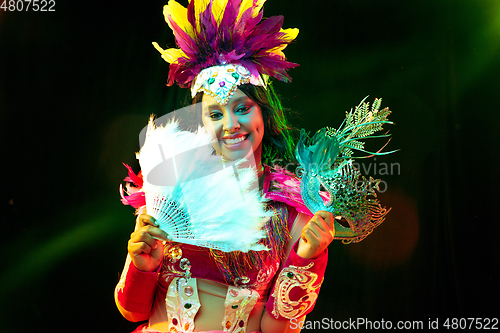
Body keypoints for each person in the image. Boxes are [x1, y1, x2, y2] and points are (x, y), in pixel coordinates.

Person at [114, 1, 355, 332]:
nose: (230, 125)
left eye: (242, 108)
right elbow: (132, 311)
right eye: (215, 114)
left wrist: (308, 257)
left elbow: (277, 329)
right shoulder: (168, 192)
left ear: (264, 116)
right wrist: (142, 266)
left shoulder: (290, 213)